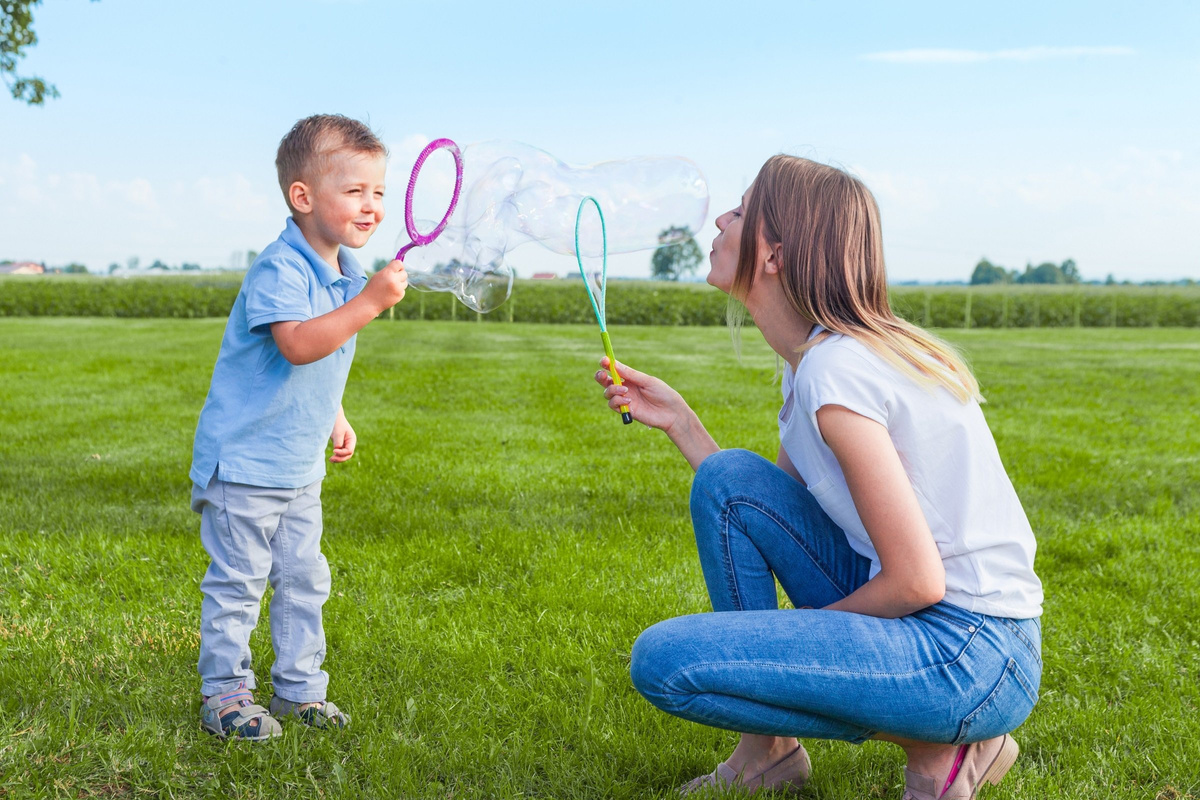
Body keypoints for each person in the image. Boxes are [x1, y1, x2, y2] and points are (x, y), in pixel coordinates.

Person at [595, 155, 1043, 799]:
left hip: (971, 653)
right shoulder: (813, 362)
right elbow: (771, 513)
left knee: (665, 662)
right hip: (950, 633)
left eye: (741, 211)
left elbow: (917, 580)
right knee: (727, 478)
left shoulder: (838, 371)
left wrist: (813, 644)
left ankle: (940, 744)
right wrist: (683, 425)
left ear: (774, 254)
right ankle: (767, 754)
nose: (721, 219)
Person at [189, 114, 408, 740]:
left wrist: (335, 414)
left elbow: (323, 358)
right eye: (355, 192)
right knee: (239, 584)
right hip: (247, 465)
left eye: (379, 193)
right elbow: (297, 344)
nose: (371, 208)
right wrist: (367, 305)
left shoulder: (342, 274)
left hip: (296, 466)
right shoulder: (281, 269)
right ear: (303, 197)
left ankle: (299, 690)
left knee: (304, 580)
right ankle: (225, 694)